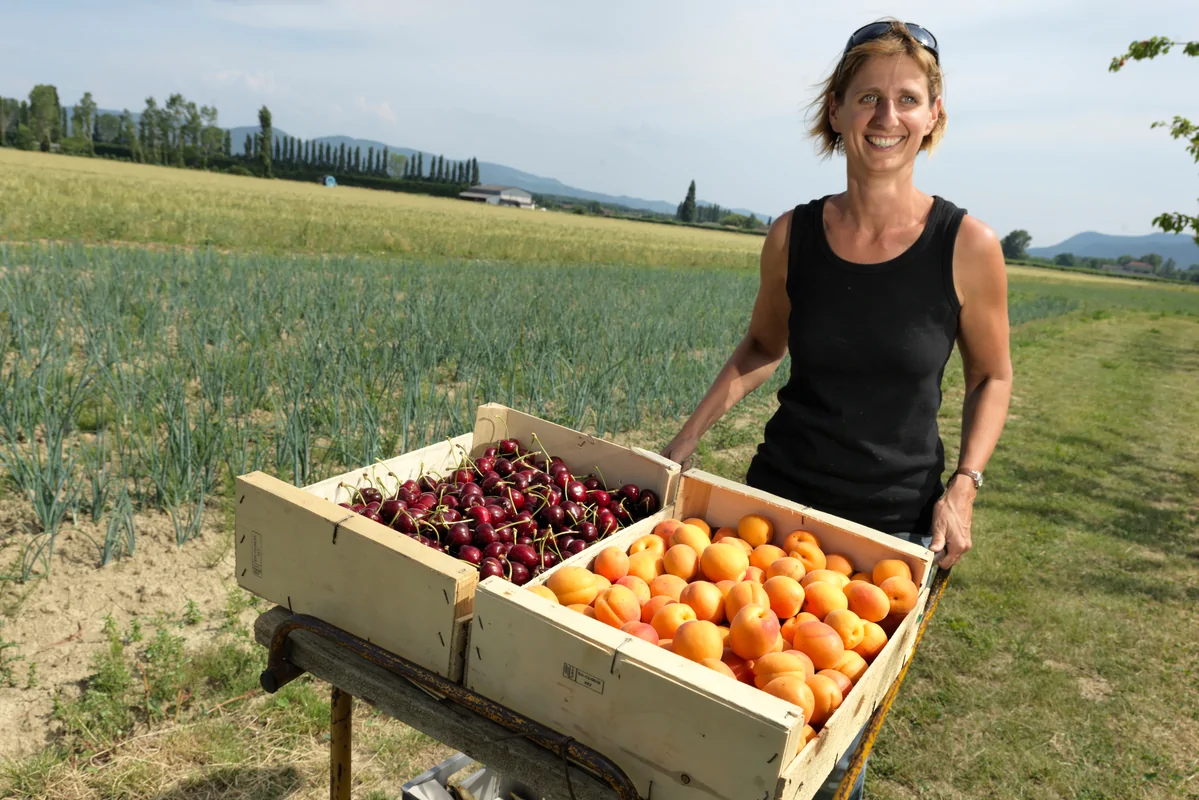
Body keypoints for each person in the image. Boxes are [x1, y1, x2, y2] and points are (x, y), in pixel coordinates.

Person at [660, 18, 1013, 799]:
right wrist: (681, 444)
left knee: (823, 746)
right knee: (724, 707)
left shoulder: (967, 245)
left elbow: (992, 377)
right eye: (867, 98)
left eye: (906, 100)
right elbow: (760, 347)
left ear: (932, 116)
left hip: (890, 526)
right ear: (836, 112)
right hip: (772, 507)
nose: (886, 117)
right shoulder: (793, 235)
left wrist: (964, 486)